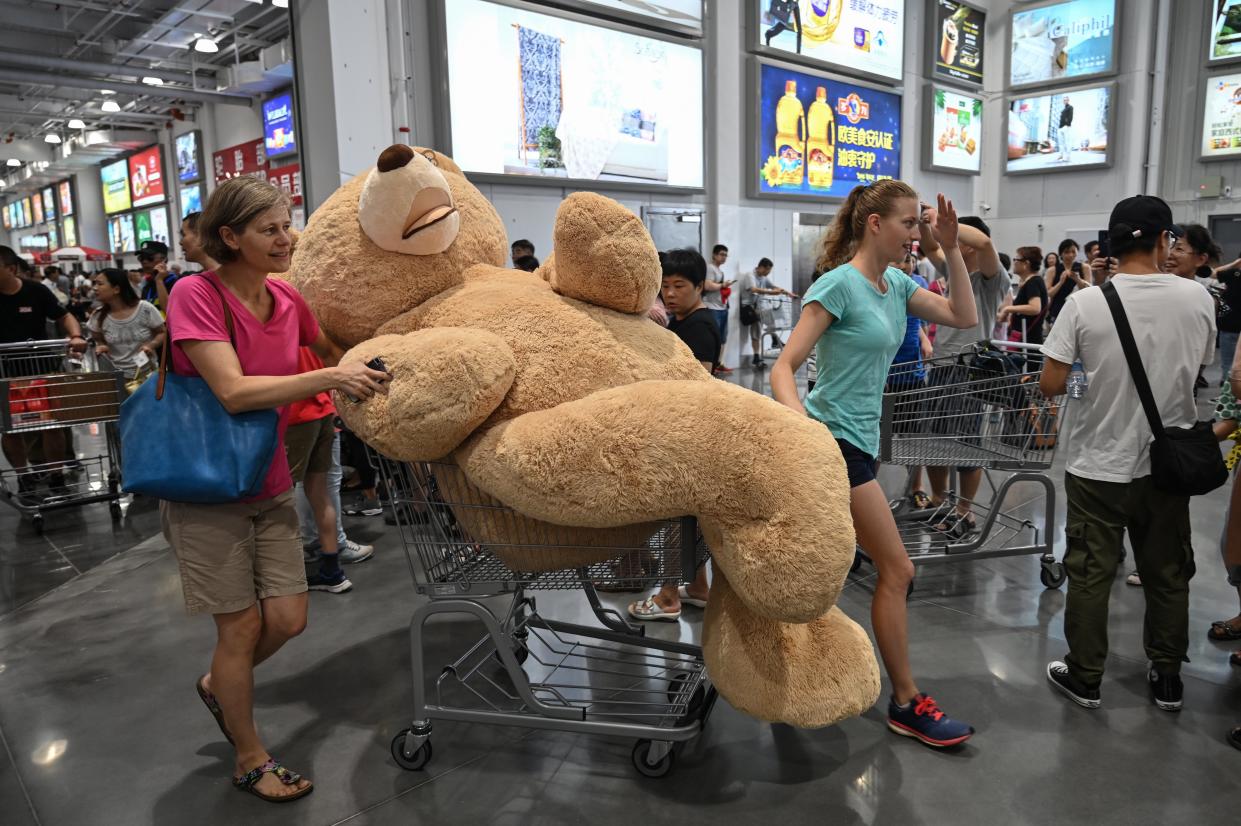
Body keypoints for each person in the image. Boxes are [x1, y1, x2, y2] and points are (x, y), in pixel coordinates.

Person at [164, 176, 390, 803]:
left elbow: (335, 348)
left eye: (287, 225)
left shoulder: (288, 301)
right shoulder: (195, 294)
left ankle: (218, 685)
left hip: (268, 482)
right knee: (238, 629)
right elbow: (232, 391)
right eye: (270, 229)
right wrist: (330, 375)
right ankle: (249, 756)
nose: (286, 239)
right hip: (207, 493)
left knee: (288, 619)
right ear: (229, 236)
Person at [771, 182, 979, 748]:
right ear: (874, 225)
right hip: (832, 441)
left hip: (863, 441)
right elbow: (785, 367)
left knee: (817, 566)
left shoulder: (896, 286)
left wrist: (952, 247)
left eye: (920, 225)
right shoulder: (838, 286)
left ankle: (781, 668)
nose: (918, 234)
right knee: (898, 570)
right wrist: (806, 429)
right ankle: (907, 702)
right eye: (911, 224)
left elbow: (963, 315)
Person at [1039, 196, 1214, 714]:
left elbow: (1051, 382)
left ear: (1112, 246)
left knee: (1092, 573)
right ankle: (1167, 679)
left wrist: (1094, 374)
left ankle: (1086, 676)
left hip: (1098, 463)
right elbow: (1198, 368)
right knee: (1166, 575)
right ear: (1165, 240)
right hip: (1167, 465)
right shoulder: (1198, 299)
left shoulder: (1085, 303)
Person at [628, 249, 718, 621]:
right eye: (665, 286)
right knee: (687, 516)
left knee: (675, 516)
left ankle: (667, 597)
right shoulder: (679, 321)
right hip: (685, 429)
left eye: (680, 285)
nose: (671, 293)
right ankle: (697, 587)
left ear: (700, 286)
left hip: (691, 430)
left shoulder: (701, 326)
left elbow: (697, 381)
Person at [920, 214, 1009, 538]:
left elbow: (984, 243)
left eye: (960, 239)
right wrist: (924, 221)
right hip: (942, 365)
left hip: (972, 368)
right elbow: (930, 247)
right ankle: (940, 501)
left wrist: (951, 228)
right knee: (932, 440)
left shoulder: (991, 278)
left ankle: (964, 510)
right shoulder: (955, 270)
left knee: (968, 444)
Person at [0, 245, 88, 495]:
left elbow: (64, 316)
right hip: (5, 372)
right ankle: (23, 474)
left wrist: (76, 336)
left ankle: (56, 473)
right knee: (10, 427)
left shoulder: (36, 291)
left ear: (11, 268)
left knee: (52, 424)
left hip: (41, 367)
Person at [887, 252, 933, 509]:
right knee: (877, 438)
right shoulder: (879, 284)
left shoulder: (918, 284)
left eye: (909, 260)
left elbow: (921, 321)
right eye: (899, 259)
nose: (905, 265)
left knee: (914, 436)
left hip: (911, 373)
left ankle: (917, 487)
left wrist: (925, 340)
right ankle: (866, 489)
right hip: (884, 375)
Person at [87, 268, 165, 397]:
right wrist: (101, 344)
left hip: (148, 377)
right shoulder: (98, 316)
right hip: (117, 379)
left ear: (116, 289)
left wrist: (151, 345)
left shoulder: (145, 309)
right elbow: (97, 338)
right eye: (94, 284)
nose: (95, 288)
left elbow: (162, 332)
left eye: (100, 284)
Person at [738, 258, 797, 368]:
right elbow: (754, 289)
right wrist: (771, 292)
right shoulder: (749, 275)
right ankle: (764, 349)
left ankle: (772, 341)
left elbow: (774, 287)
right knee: (758, 328)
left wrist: (788, 293)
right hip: (749, 308)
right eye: (767, 270)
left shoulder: (763, 278)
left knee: (769, 321)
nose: (768, 273)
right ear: (761, 267)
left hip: (759, 307)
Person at [998, 246, 1049, 352]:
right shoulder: (1032, 282)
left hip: (1028, 341)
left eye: (1016, 259)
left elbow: (1035, 308)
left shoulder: (1033, 282)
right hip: (1026, 338)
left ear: (1026, 263)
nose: (1014, 262)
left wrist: (1008, 309)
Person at [703, 244, 735, 374]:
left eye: (726, 255)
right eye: (722, 254)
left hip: (721, 307)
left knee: (722, 338)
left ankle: (718, 363)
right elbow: (707, 285)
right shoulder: (710, 268)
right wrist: (723, 285)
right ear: (714, 255)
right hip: (712, 307)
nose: (724, 257)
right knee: (714, 338)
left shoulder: (719, 270)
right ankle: (710, 365)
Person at [1045, 239, 1090, 328]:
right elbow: (1049, 293)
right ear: (1061, 253)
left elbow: (1088, 290)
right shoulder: (1052, 270)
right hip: (1057, 308)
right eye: (1067, 252)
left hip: (1078, 307)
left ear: (1077, 252)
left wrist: (1078, 279)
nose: (1070, 255)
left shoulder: (1084, 267)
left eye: (1073, 251)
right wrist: (1061, 282)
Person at [1214, 251, 1241, 381]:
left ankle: (1227, 397)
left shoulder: (1234, 274)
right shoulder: (1234, 275)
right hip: (1229, 327)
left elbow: (1212, 273)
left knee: (1227, 364)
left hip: (1229, 326)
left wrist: (1234, 264)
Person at [137, 240, 178, 312]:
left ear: (164, 259)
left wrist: (159, 280)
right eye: (141, 258)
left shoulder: (176, 283)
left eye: (149, 258)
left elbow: (168, 310)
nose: (144, 261)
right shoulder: (147, 287)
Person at [1057, 95, 1074, 163]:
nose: (1065, 101)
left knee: (1067, 142)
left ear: (1068, 100)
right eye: (1064, 100)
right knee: (1061, 143)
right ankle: (1061, 155)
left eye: (1066, 100)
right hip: (1060, 127)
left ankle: (1068, 157)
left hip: (1066, 127)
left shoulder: (1070, 107)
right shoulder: (1063, 109)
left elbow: (1070, 117)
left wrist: (1067, 124)